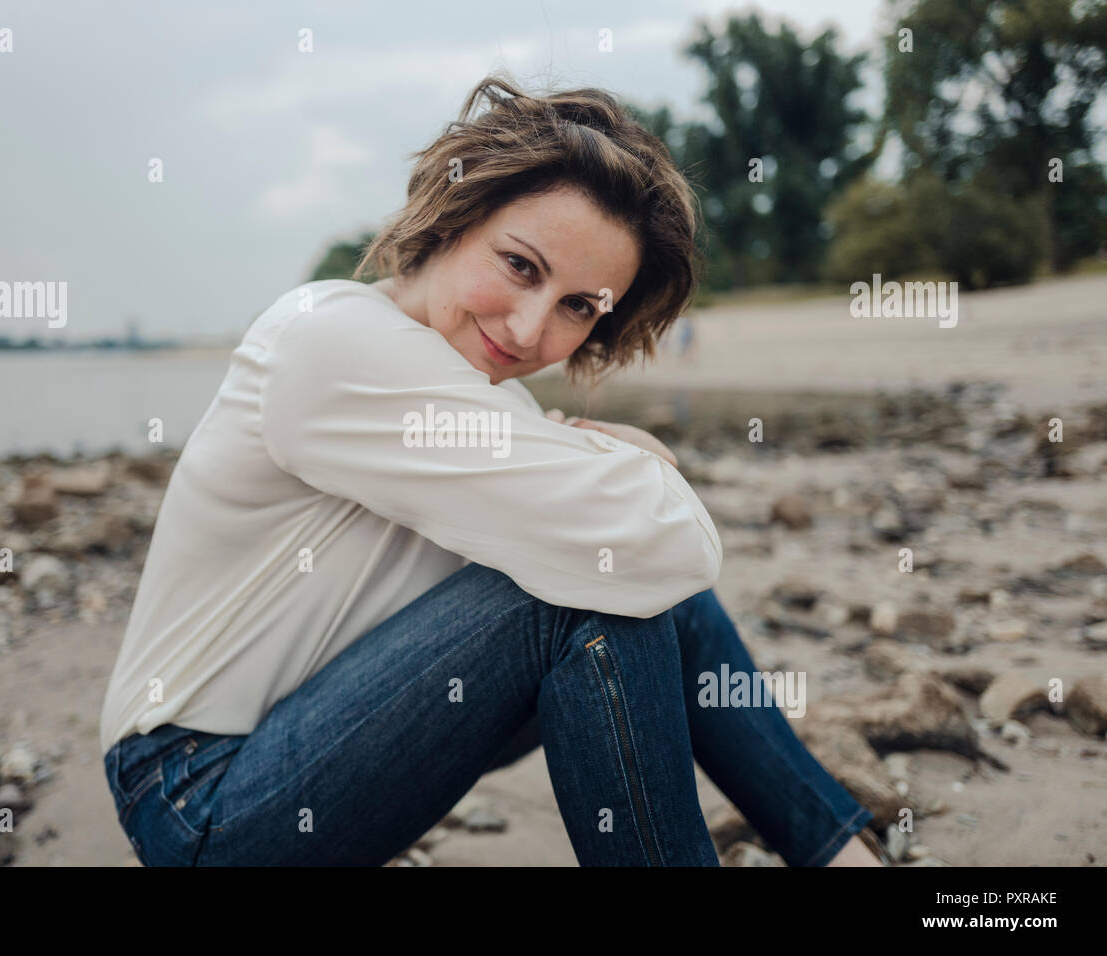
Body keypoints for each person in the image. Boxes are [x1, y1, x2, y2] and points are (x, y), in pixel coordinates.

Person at [98, 72, 883, 867]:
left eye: (580, 306)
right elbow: (663, 535)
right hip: (200, 799)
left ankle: (843, 854)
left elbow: (652, 545)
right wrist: (629, 459)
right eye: (520, 266)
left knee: (635, 588)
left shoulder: (465, 394)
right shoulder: (327, 346)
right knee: (598, 596)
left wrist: (613, 468)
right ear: (454, 214)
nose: (531, 327)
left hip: (309, 749)